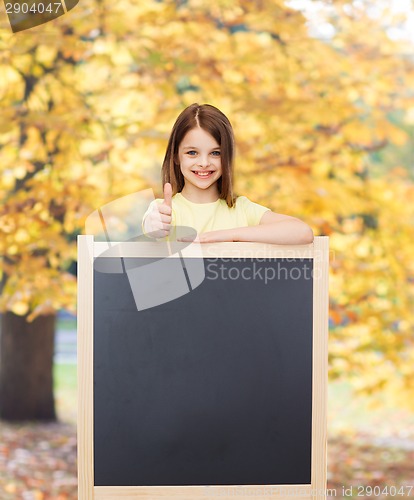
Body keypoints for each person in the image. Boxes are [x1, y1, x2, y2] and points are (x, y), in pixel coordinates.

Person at [142, 103, 314, 245]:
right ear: (176, 157)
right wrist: (154, 224)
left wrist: (226, 235)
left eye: (215, 153)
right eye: (192, 153)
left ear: (227, 157)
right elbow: (153, 226)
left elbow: (302, 232)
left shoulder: (242, 209)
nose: (204, 163)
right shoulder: (166, 211)